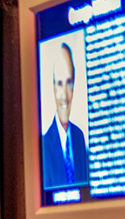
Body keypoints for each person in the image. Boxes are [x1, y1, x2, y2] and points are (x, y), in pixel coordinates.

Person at [42, 42, 89, 190]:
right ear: (53, 87)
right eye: (60, 84)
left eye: (69, 83)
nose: (64, 96)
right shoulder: (43, 145)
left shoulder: (79, 137)